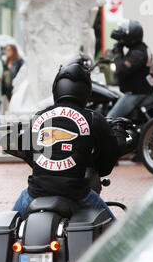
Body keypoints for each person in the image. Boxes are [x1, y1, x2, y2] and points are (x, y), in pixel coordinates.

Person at [11, 62, 128, 219]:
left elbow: (28, 152)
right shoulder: (93, 118)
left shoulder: (38, 117)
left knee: (9, 225)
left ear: (56, 90)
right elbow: (106, 166)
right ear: (87, 92)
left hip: (35, 193)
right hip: (77, 194)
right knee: (115, 237)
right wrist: (119, 129)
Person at [107, 19, 153, 118]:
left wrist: (117, 53)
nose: (121, 38)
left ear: (131, 36)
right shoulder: (139, 49)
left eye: (123, 34)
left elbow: (121, 68)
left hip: (136, 94)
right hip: (138, 92)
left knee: (109, 119)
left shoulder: (138, 53)